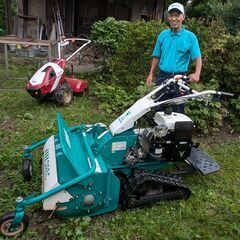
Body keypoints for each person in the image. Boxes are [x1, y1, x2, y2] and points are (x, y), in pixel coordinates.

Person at [146, 2, 202, 113]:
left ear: (183, 17)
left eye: (177, 15)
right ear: (168, 17)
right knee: (159, 108)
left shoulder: (190, 37)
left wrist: (197, 73)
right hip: (162, 77)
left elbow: (197, 57)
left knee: (178, 111)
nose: (174, 18)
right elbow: (156, 56)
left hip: (180, 79)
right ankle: (158, 130)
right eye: (171, 15)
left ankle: (176, 130)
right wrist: (151, 74)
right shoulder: (163, 35)